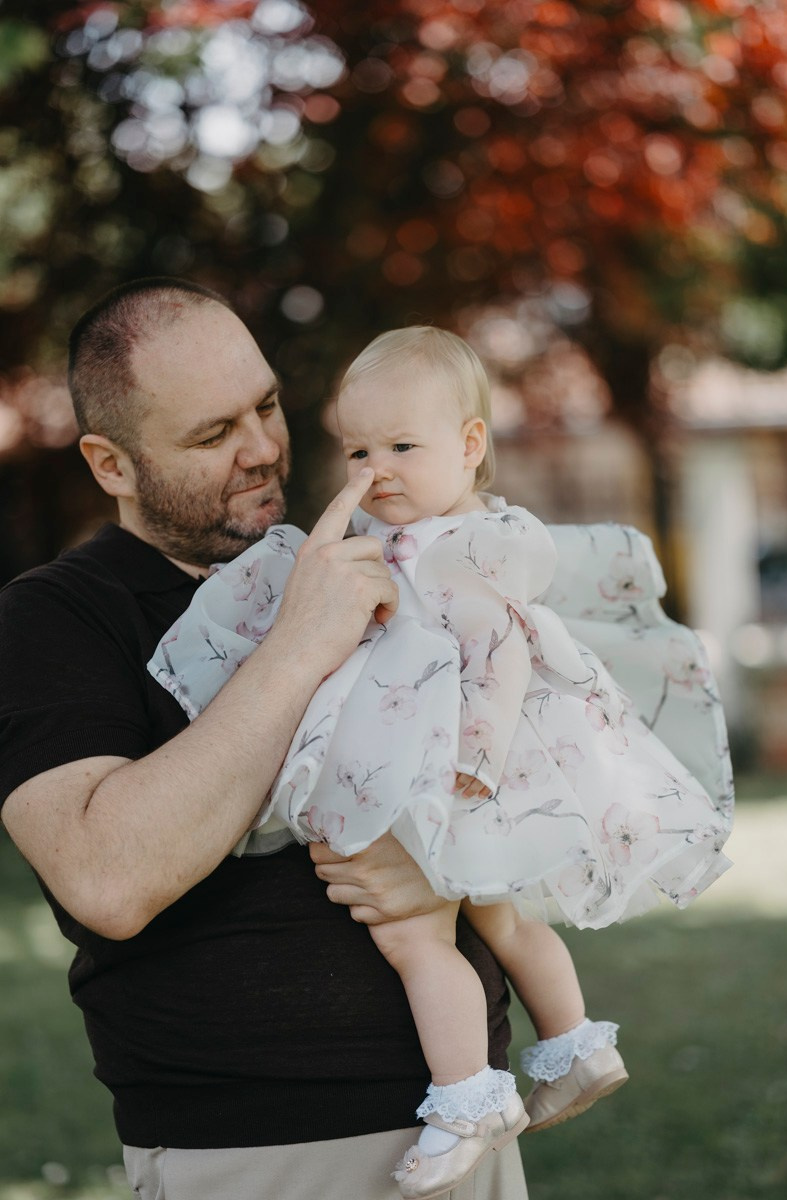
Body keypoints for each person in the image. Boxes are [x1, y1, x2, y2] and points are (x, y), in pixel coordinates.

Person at [150, 327, 734, 1199]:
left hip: (457, 770)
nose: (375, 468)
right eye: (358, 449)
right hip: (463, 766)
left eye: (401, 447)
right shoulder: (429, 535)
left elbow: (501, 654)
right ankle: (578, 1043)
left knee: (414, 936)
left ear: (469, 446)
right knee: (498, 919)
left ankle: (466, 1101)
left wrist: (480, 763)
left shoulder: (455, 549)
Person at [0, 282, 530, 1200]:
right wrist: (299, 643)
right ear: (110, 463)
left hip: (466, 1118)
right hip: (251, 1148)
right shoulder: (55, 616)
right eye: (213, 435)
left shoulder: (351, 553)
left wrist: (445, 858)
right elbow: (105, 881)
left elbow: (528, 763)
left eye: (268, 407)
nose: (262, 450)